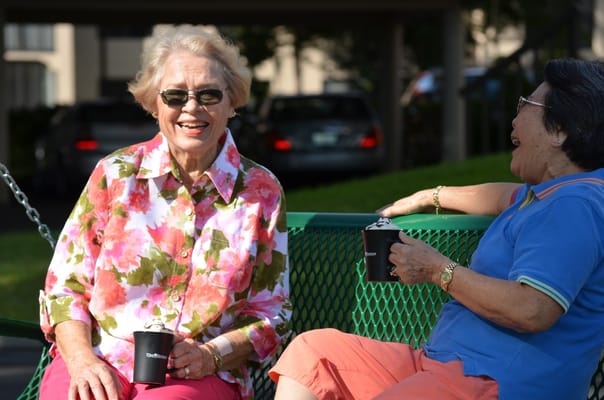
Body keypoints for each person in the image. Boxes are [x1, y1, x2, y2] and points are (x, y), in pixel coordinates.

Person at [269, 57, 604, 400]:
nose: (514, 119)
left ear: (559, 129)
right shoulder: (549, 194)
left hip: (492, 382)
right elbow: (499, 195)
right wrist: (430, 196)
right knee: (315, 354)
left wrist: (437, 269)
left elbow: (533, 309)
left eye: (525, 105)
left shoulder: (573, 206)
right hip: (446, 367)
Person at [38, 24, 290, 400]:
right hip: (100, 354)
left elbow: (272, 315)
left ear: (231, 102)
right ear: (154, 104)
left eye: (208, 94)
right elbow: (66, 287)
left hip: (198, 372)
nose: (192, 108)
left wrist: (211, 355)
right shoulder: (115, 173)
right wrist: (81, 360)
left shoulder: (260, 190)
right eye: (175, 96)